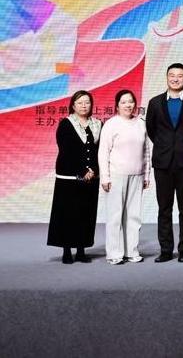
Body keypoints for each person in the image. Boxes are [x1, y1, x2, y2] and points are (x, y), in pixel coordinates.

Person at [145, 63, 183, 262]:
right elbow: (151, 130)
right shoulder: (155, 103)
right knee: (164, 209)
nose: (176, 79)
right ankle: (166, 250)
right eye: (172, 75)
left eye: (180, 76)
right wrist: (165, 146)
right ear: (167, 77)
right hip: (163, 163)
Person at [47, 90, 101, 264]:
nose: (84, 106)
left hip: (91, 178)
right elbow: (66, 151)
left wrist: (93, 170)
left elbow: (100, 151)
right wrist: (82, 170)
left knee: (86, 213)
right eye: (80, 103)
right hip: (69, 177)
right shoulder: (66, 124)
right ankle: (66, 250)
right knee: (67, 213)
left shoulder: (98, 124)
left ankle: (81, 250)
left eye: (87, 102)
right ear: (73, 105)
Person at [98, 90, 151, 265]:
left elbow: (146, 151)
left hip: (137, 175)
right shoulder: (111, 124)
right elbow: (103, 152)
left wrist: (146, 175)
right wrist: (105, 177)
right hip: (116, 175)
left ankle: (131, 251)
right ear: (117, 105)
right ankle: (114, 253)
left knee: (133, 216)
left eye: (131, 101)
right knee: (115, 216)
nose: (128, 105)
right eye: (123, 102)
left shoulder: (141, 123)